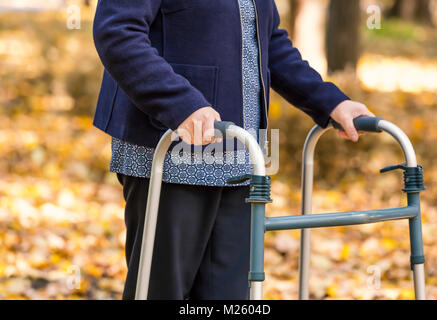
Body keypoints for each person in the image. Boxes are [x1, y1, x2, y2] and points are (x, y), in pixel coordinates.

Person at [92, 0, 375, 300]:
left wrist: (329, 101)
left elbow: (268, 41)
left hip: (241, 158)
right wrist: (180, 103)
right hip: (167, 151)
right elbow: (117, 31)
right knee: (160, 292)